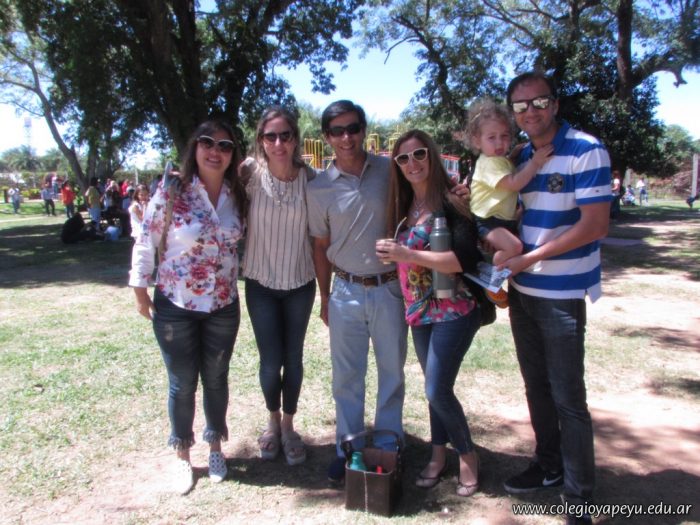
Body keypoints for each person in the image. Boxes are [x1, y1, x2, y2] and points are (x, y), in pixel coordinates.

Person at [500, 71, 611, 525]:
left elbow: (594, 225)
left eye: (539, 102)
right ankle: (548, 467)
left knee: (568, 397)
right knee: (536, 387)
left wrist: (530, 259)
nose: (530, 112)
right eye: (520, 106)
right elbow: (517, 212)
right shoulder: (523, 156)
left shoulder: (586, 150)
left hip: (561, 293)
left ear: (556, 104)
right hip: (522, 291)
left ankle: (579, 496)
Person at [129, 120, 247, 494]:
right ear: (195, 147)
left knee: (216, 378)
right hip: (176, 303)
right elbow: (147, 239)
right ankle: (182, 455)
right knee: (182, 384)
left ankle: (215, 448)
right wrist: (140, 289)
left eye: (225, 145)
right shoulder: (173, 189)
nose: (215, 151)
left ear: (233, 154)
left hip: (222, 304)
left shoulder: (237, 194)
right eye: (207, 142)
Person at [306, 100, 409, 483]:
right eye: (337, 131)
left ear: (364, 130)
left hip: (390, 288)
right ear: (326, 137)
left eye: (353, 128)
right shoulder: (318, 187)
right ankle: (347, 448)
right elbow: (320, 246)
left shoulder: (390, 170)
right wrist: (325, 296)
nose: (346, 137)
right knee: (346, 376)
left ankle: (388, 443)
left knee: (391, 370)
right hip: (345, 290)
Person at [377, 129, 482, 497]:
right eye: (403, 158)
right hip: (419, 312)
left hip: (455, 309)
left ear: (432, 156)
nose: (412, 163)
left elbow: (463, 259)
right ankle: (438, 456)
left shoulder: (451, 201)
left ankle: (467, 456)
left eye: (419, 154)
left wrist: (407, 254)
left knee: (436, 388)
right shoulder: (403, 205)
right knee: (434, 389)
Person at [239, 106, 317, 466]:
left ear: (295, 139)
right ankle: (272, 422)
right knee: (271, 362)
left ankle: (288, 426)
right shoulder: (249, 173)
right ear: (261, 140)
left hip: (300, 282)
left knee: (293, 359)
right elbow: (212, 185)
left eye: (285, 135)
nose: (278, 142)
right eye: (270, 136)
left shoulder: (311, 178)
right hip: (261, 284)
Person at [466, 98, 553, 307]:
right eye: (492, 137)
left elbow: (507, 171)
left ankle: (495, 274)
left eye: (504, 136)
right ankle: (493, 280)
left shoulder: (499, 161)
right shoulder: (488, 164)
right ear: (477, 141)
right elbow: (513, 183)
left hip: (501, 219)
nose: (499, 143)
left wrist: (513, 156)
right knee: (515, 246)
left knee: (516, 246)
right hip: (488, 220)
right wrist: (535, 163)